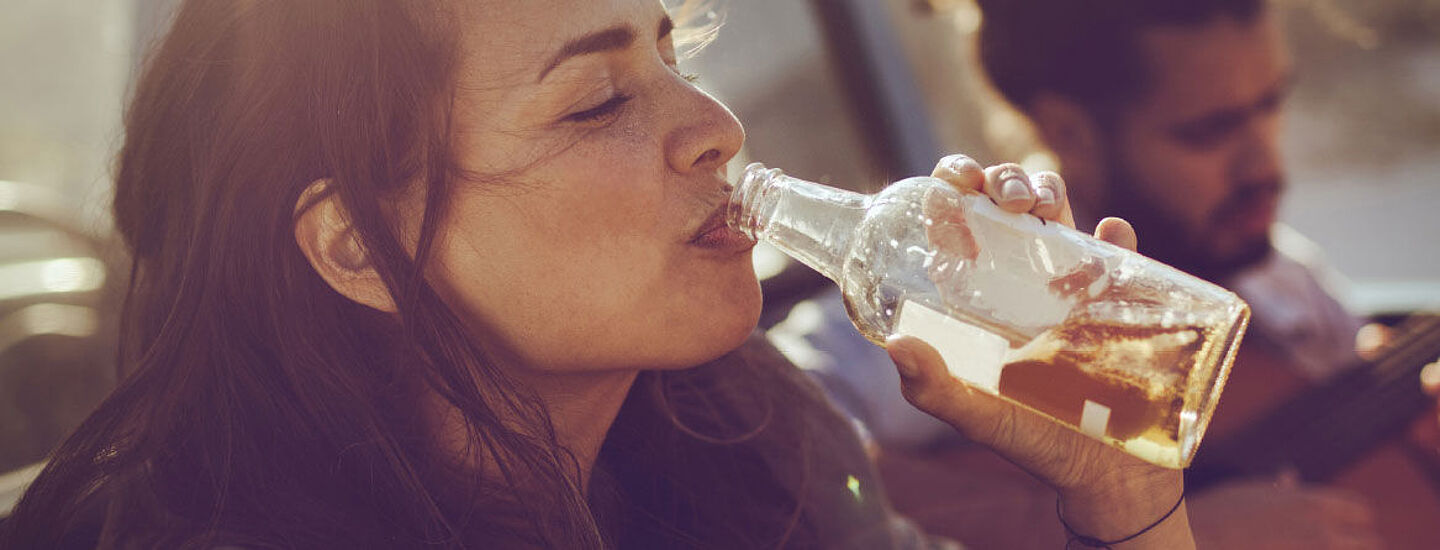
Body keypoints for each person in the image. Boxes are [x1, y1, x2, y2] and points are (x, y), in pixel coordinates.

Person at [0, 0, 1200, 548]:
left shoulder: (757, 444)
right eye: (597, 99)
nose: (719, 127)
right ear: (359, 246)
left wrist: (1118, 494)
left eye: (672, 51)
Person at [785, 0, 1440, 548]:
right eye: (1208, 133)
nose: (1264, 165)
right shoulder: (957, 287)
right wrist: (1141, 522)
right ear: (1072, 132)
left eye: (1269, 107)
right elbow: (786, 450)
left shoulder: (1281, 278)